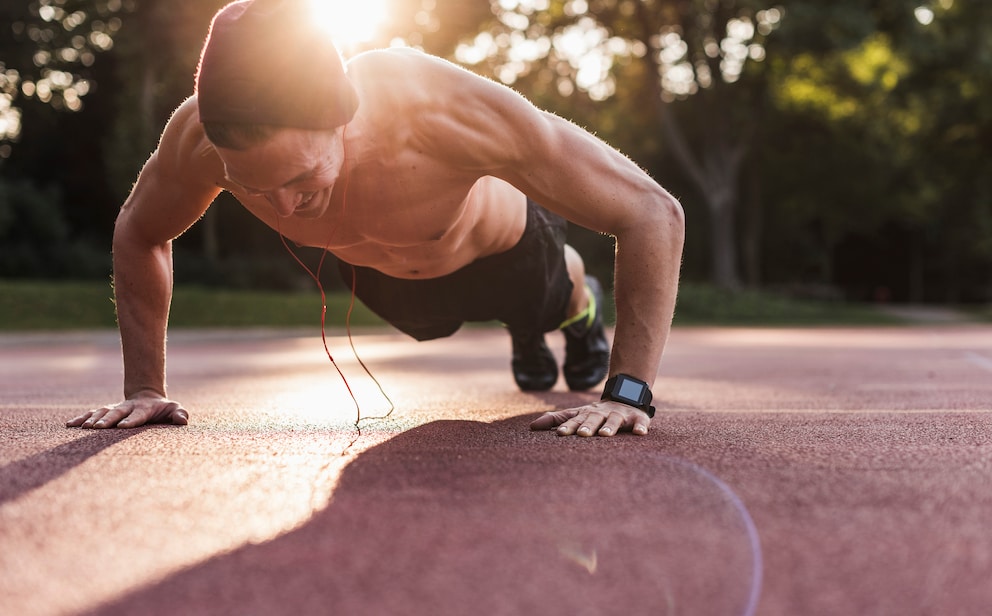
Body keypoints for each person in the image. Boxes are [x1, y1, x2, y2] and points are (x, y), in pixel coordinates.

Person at [67, 0, 684, 437]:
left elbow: (653, 212)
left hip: (510, 252)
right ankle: (525, 330)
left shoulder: (437, 111)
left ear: (343, 117)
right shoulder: (196, 140)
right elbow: (141, 231)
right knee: (431, 325)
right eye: (255, 187)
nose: (283, 208)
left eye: (301, 178)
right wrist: (145, 388)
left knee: (551, 299)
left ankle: (577, 312)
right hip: (388, 284)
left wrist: (629, 392)